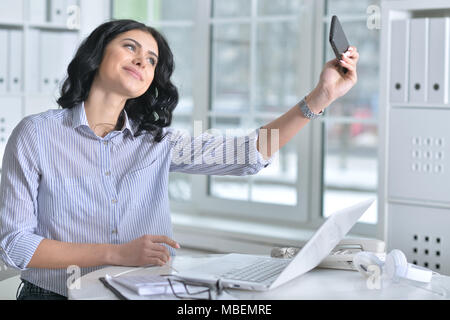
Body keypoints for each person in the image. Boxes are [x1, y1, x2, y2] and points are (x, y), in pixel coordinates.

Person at [0, 19, 359, 300]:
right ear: (96, 55)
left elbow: (249, 152)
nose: (143, 60)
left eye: (152, 59)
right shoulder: (36, 135)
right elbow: (14, 245)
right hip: (54, 296)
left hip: (140, 292)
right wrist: (116, 253)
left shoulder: (157, 141)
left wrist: (320, 97)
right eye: (130, 47)